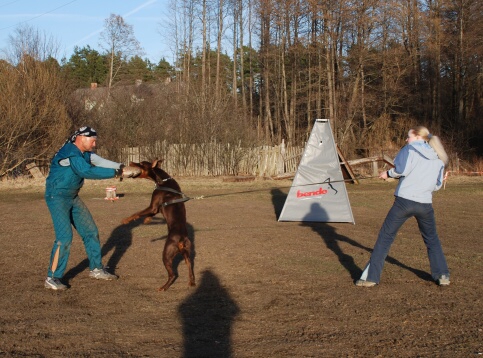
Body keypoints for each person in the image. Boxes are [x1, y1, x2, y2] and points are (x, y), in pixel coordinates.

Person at [356, 126, 450, 287]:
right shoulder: (438, 157)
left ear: (417, 137)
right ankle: (442, 275)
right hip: (425, 204)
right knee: (432, 240)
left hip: (404, 202)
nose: (406, 140)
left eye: (409, 136)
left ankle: (370, 278)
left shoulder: (409, 149)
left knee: (385, 238)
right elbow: (436, 186)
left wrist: (387, 174)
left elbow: (400, 169)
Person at [44, 126, 131, 290]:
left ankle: (96, 269)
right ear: (81, 138)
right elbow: (86, 171)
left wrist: (121, 167)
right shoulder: (70, 152)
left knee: (90, 231)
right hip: (57, 197)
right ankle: (52, 277)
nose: (95, 143)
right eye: (93, 140)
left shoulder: (83, 153)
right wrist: (116, 173)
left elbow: (98, 161)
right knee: (64, 237)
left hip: (72, 196)